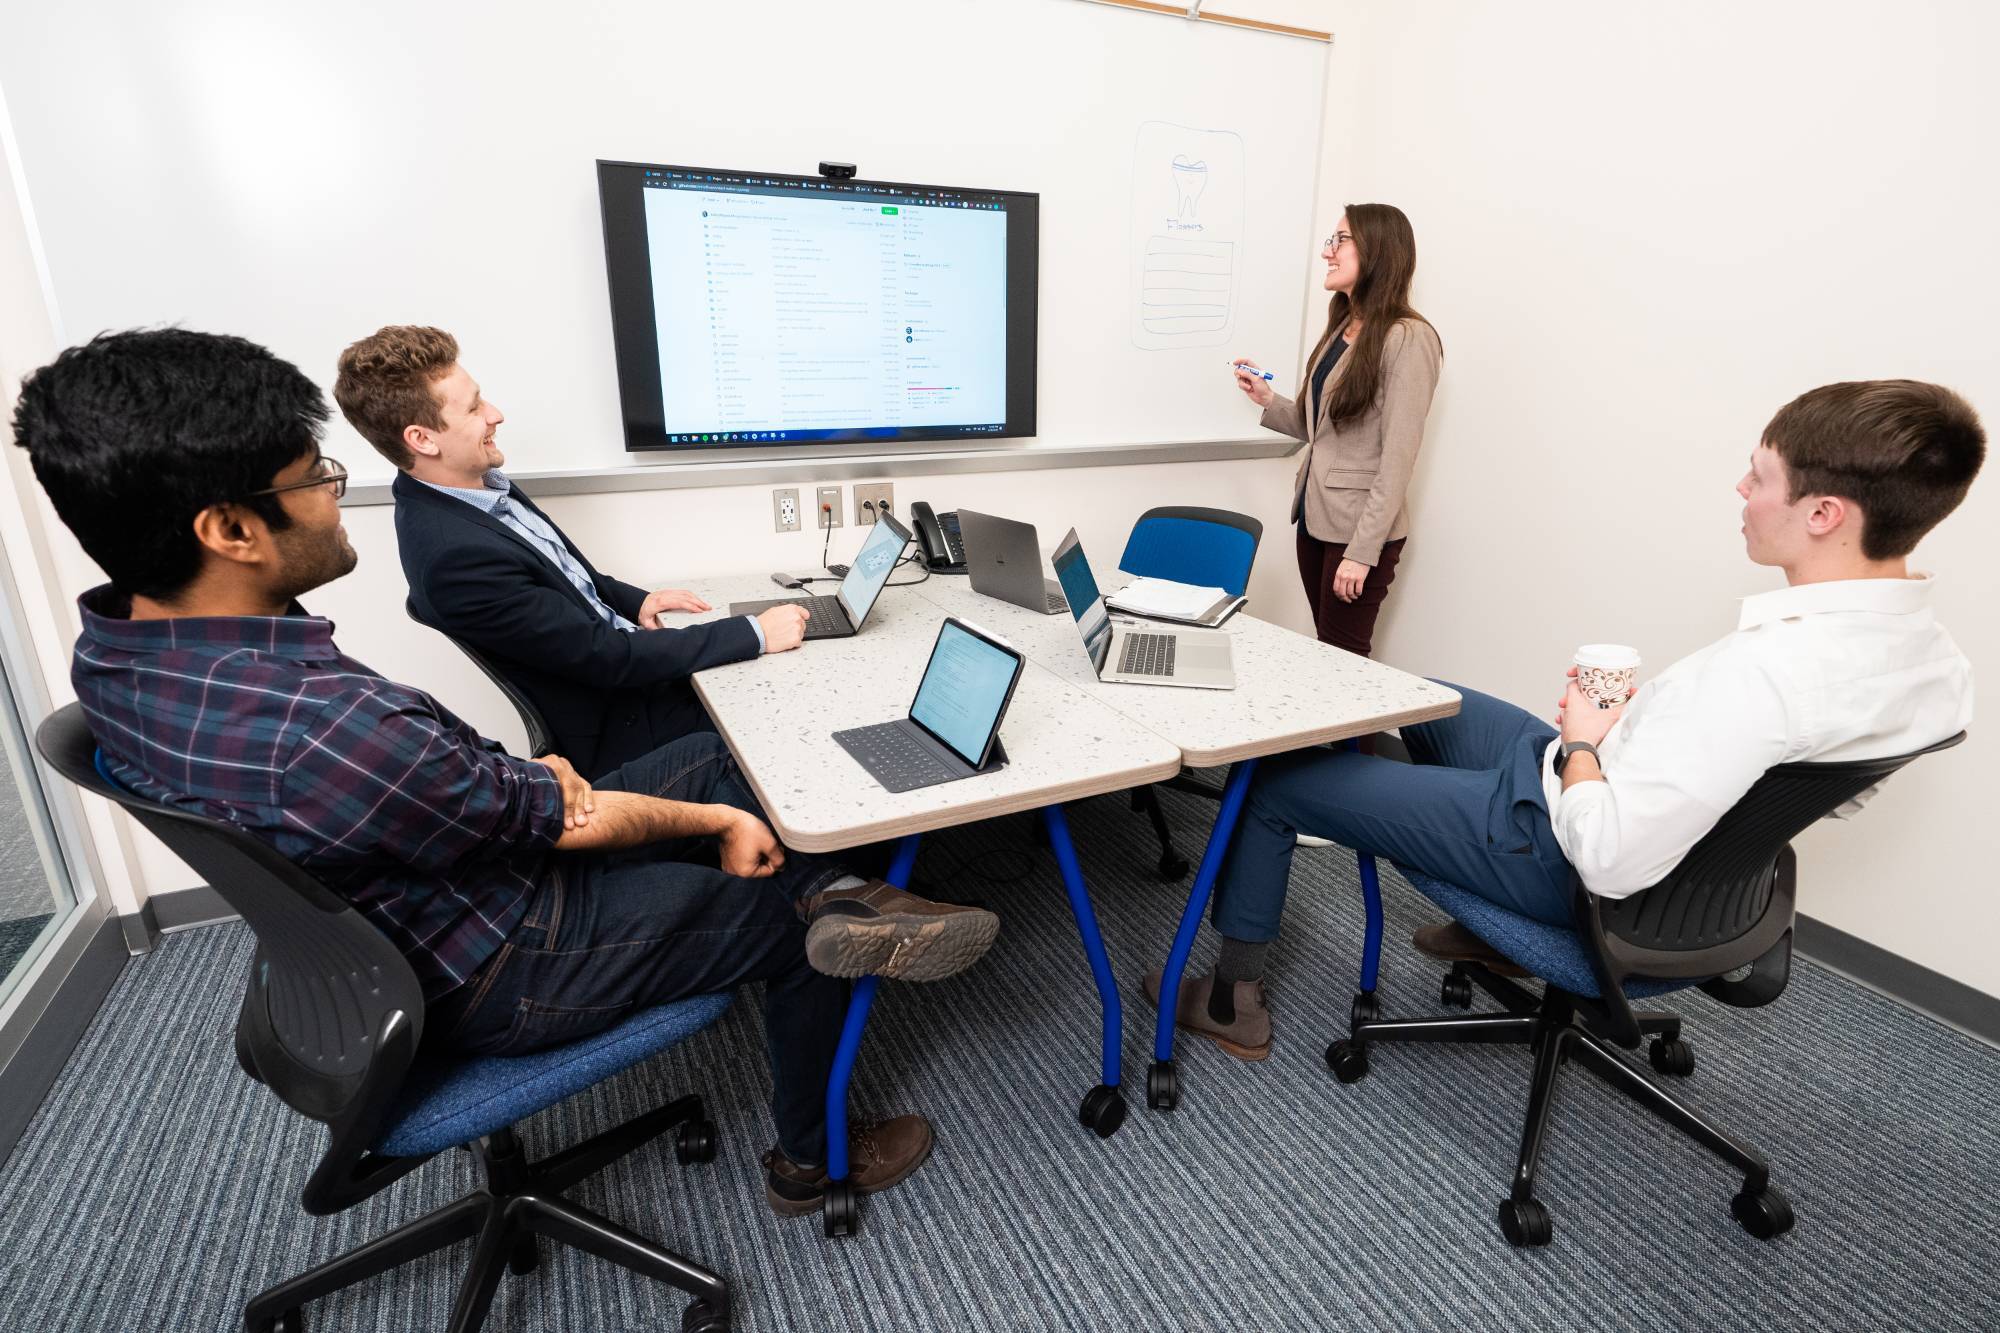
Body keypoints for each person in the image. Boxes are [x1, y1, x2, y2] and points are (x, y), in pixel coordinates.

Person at [13, 328, 998, 1217]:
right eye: (313, 475)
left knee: (710, 758)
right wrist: (696, 824)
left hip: (402, 900)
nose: (333, 490)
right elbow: (565, 823)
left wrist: (542, 783)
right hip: (495, 951)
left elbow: (467, 780)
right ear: (229, 530)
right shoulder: (323, 730)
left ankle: (840, 890)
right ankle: (811, 1156)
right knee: (778, 910)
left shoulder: (118, 652)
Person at [1152, 379, 1983, 1060]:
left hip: (1563, 845)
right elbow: (1824, 790)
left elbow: (1611, 857)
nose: (1741, 489)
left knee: (1274, 781)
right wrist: (1638, 747)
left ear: (1825, 513)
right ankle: (1469, 890)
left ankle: (1232, 1000)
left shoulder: (1763, 675)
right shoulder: (1936, 667)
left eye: (1759, 475)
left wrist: (1586, 739)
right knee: (1409, 691)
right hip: (1598, 785)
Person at [333, 325, 811, 776]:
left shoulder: (473, 486)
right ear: (422, 439)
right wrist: (753, 633)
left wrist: (635, 600)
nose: (495, 414)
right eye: (475, 408)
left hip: (637, 681)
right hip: (629, 726)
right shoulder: (453, 556)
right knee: (801, 715)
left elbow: (566, 576)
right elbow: (608, 658)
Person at [1233, 203, 1442, 659]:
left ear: (1377, 250)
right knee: (1329, 658)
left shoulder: (1409, 337)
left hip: (1357, 532)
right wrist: (1270, 402)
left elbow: (1397, 459)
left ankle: (1350, 736)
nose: (1328, 252)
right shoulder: (1343, 326)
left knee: (1345, 667)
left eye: (1339, 241)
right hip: (1314, 519)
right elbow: (1322, 429)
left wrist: (1363, 552)